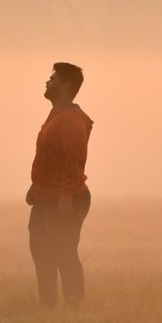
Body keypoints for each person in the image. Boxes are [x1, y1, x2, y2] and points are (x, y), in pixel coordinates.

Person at [26, 62, 93, 308]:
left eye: (52, 79)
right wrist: (36, 187)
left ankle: (75, 306)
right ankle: (48, 307)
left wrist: (65, 199)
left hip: (65, 199)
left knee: (63, 253)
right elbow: (50, 157)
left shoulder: (71, 120)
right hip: (47, 196)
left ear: (65, 86)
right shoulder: (57, 116)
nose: (47, 82)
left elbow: (74, 161)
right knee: (41, 251)